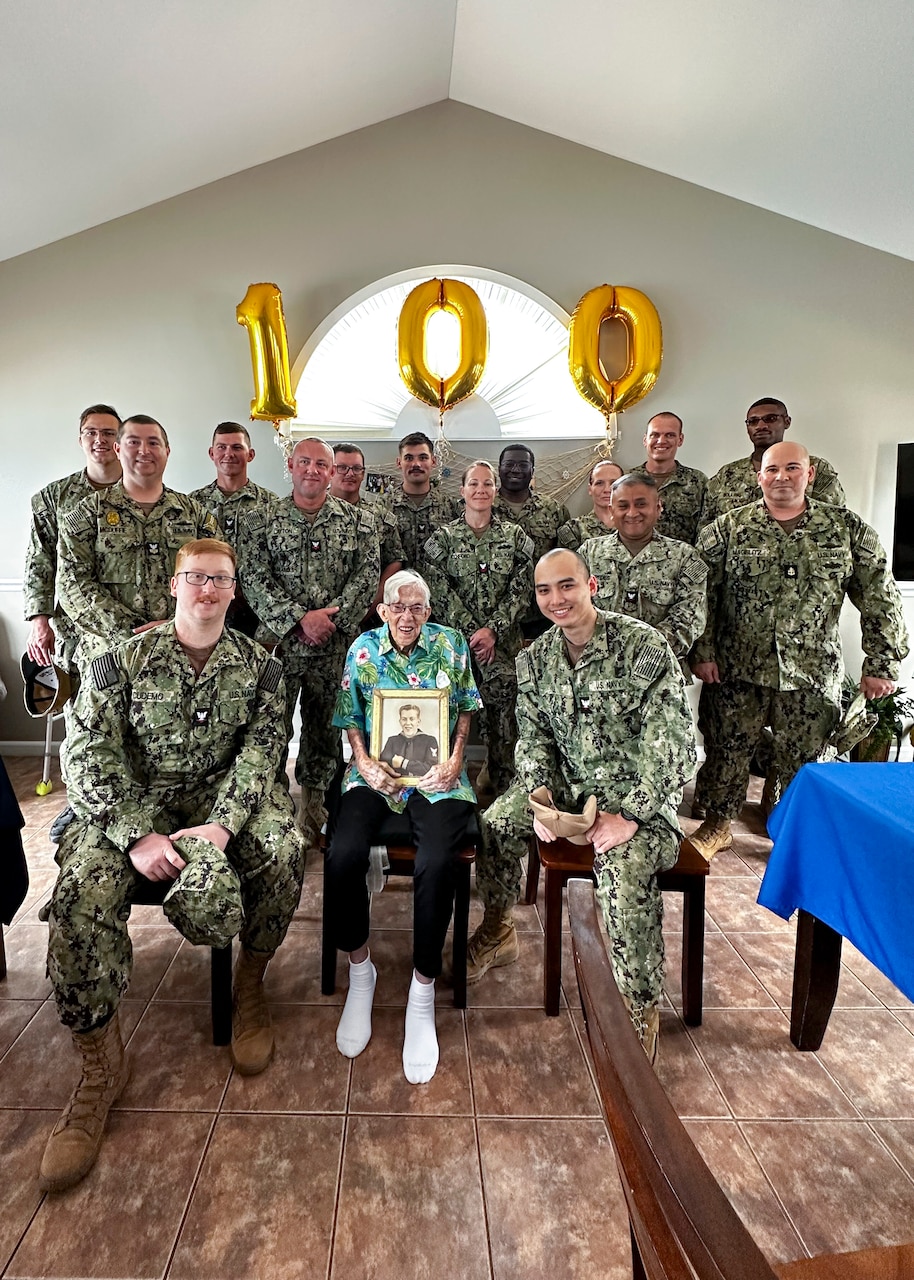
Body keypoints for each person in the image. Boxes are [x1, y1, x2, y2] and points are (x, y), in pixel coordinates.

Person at [40, 539, 305, 1192]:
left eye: (220, 580)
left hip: (222, 808)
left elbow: (263, 752)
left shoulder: (263, 666)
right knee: (78, 895)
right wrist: (136, 834)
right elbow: (87, 754)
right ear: (173, 584)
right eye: (195, 578)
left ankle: (251, 982)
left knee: (283, 849)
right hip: (135, 806)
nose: (207, 590)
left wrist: (221, 827)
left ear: (234, 590)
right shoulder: (118, 660)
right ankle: (101, 1067)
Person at [470, 549, 695, 1061]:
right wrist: (540, 797)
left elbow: (674, 748)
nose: (556, 600)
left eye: (566, 586)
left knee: (622, 870)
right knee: (494, 824)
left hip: (639, 806)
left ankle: (638, 1008)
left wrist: (630, 815)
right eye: (545, 591)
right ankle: (499, 926)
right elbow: (534, 740)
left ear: (592, 585)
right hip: (568, 796)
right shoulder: (535, 659)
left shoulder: (644, 647)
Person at [689, 441, 908, 859]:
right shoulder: (728, 529)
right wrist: (704, 650)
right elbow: (702, 595)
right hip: (738, 668)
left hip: (810, 671)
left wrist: (881, 661)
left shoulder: (845, 529)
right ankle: (718, 824)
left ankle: (794, 835)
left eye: (792, 468)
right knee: (726, 747)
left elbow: (880, 594)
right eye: (772, 470)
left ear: (810, 475)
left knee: (805, 758)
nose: (781, 477)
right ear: (760, 477)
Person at [326, 570, 481, 1083]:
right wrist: (363, 760)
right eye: (400, 607)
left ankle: (421, 989)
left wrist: (457, 758)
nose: (409, 616)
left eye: (418, 608)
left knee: (437, 860)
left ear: (428, 612)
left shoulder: (451, 645)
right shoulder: (363, 650)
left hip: (438, 779)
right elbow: (349, 713)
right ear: (384, 610)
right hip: (375, 774)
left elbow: (464, 710)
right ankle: (361, 971)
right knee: (343, 853)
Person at [242, 438, 380, 850]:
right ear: (291, 465)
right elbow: (252, 576)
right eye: (305, 462)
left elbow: (367, 575)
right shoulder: (260, 519)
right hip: (278, 646)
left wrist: (328, 621)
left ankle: (315, 811)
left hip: (334, 646)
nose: (313, 470)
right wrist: (298, 618)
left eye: (322, 464)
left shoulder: (359, 523)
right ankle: (274, 810)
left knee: (325, 733)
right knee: (269, 730)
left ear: (332, 470)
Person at [56, 415, 219, 672]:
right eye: (134, 442)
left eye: (153, 443)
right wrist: (133, 631)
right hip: (110, 657)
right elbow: (71, 585)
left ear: (167, 451)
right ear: (118, 449)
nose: (144, 451)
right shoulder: (88, 514)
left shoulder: (195, 515)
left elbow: (217, 577)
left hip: (180, 654)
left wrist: (176, 627)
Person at [424, 460, 533, 796]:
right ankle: (445, 789)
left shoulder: (515, 538)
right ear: (462, 491)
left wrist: (493, 630)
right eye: (473, 484)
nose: (480, 490)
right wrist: (475, 633)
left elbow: (524, 588)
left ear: (496, 491)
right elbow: (437, 589)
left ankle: (503, 791)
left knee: (505, 727)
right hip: (455, 648)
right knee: (444, 720)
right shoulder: (442, 538)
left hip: (502, 649)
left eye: (487, 484)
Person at [24, 403, 122, 671]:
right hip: (75, 628)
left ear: (120, 441)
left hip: (130, 624)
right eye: (91, 432)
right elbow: (39, 559)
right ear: (80, 440)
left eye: (109, 433)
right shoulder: (54, 498)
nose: (99, 439)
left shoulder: (144, 494)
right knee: (79, 708)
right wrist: (39, 621)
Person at [579, 473, 708, 678]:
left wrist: (644, 653)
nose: (632, 513)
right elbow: (576, 608)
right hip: (599, 672)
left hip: (662, 672)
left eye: (641, 504)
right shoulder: (589, 553)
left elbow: (690, 617)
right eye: (623, 506)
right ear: (612, 511)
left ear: (658, 508)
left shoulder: (684, 556)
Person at [189, 421, 277, 637]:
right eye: (222, 447)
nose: (229, 453)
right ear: (211, 453)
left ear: (251, 454)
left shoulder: (271, 504)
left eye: (237, 447)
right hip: (206, 606)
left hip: (259, 612)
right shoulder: (193, 504)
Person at [703, 397, 845, 524]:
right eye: (753, 421)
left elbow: (836, 521)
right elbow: (707, 527)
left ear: (787, 422)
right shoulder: (727, 474)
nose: (761, 426)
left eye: (770, 419)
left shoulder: (815, 468)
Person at [494, 443, 570, 637]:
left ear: (532, 471)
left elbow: (566, 560)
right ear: (499, 468)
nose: (516, 470)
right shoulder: (484, 507)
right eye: (509, 464)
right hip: (494, 612)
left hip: (543, 612)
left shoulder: (553, 510)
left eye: (523, 465)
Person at [331, 441, 405, 616]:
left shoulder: (379, 516)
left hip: (369, 613)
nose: (350, 474)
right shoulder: (314, 511)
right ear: (330, 471)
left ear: (363, 473)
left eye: (357, 468)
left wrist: (373, 601)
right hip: (320, 610)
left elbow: (395, 560)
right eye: (342, 467)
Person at [374, 432, 456, 579]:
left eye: (423, 457)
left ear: (433, 461)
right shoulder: (381, 507)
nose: (416, 464)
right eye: (409, 458)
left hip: (442, 594)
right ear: (399, 463)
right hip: (395, 594)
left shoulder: (451, 507)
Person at [627, 412, 708, 544]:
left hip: (682, 562)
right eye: (655, 435)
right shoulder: (627, 481)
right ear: (645, 440)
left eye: (669, 435)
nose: (661, 441)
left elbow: (705, 532)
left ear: (680, 439)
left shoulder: (698, 482)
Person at [557, 459, 623, 550]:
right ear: (590, 489)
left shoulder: (634, 525)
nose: (607, 489)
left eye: (613, 483)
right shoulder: (574, 530)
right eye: (599, 483)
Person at [380, 703, 440, 777]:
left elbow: (432, 769)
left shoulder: (430, 741)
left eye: (412, 719)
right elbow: (383, 766)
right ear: (400, 721)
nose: (408, 723)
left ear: (418, 722)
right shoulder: (392, 741)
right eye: (404, 719)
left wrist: (404, 763)